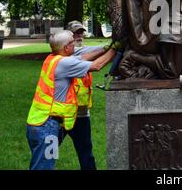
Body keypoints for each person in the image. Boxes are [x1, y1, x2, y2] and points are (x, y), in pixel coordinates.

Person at [26, 30, 116, 170]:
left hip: (38, 122)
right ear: (66, 48)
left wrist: (106, 48)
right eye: (72, 42)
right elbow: (97, 65)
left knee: (41, 164)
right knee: (44, 167)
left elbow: (84, 57)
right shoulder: (65, 64)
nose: (75, 43)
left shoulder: (53, 59)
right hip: (47, 126)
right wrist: (116, 49)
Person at [63, 20, 114, 170]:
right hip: (62, 115)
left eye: (81, 32)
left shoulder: (83, 51)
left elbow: (98, 50)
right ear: (68, 38)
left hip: (82, 114)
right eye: (75, 33)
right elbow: (98, 64)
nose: (79, 36)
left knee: (86, 153)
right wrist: (112, 47)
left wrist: (111, 46)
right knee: (50, 153)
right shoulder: (66, 56)